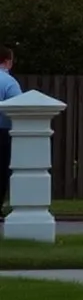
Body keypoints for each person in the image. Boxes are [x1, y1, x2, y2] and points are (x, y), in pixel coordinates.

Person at [0, 46, 22, 215]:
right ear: (7, 61)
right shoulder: (9, 82)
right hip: (3, 131)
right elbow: (19, 108)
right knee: (1, 171)